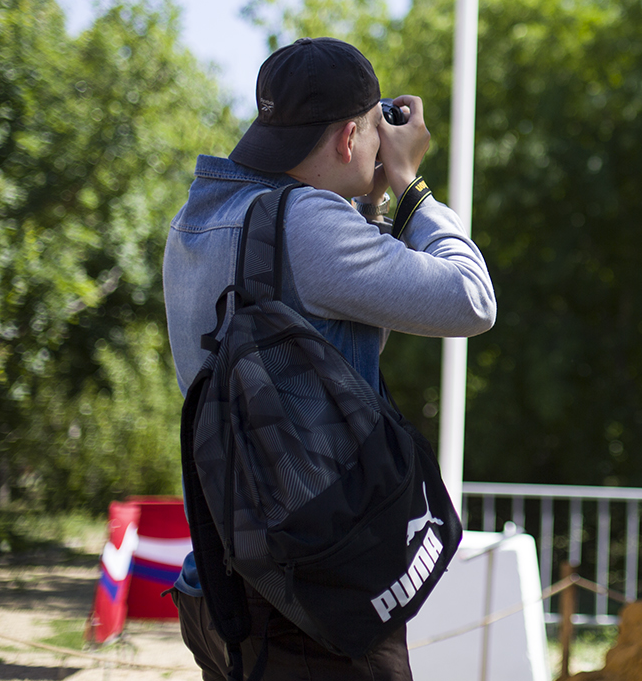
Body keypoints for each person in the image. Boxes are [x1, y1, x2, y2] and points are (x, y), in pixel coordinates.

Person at [162, 36, 497, 681]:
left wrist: (367, 201)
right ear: (349, 139)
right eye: (374, 132)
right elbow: (470, 300)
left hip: (217, 589)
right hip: (311, 605)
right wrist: (409, 183)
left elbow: (341, 327)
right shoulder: (310, 223)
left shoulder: (197, 219)